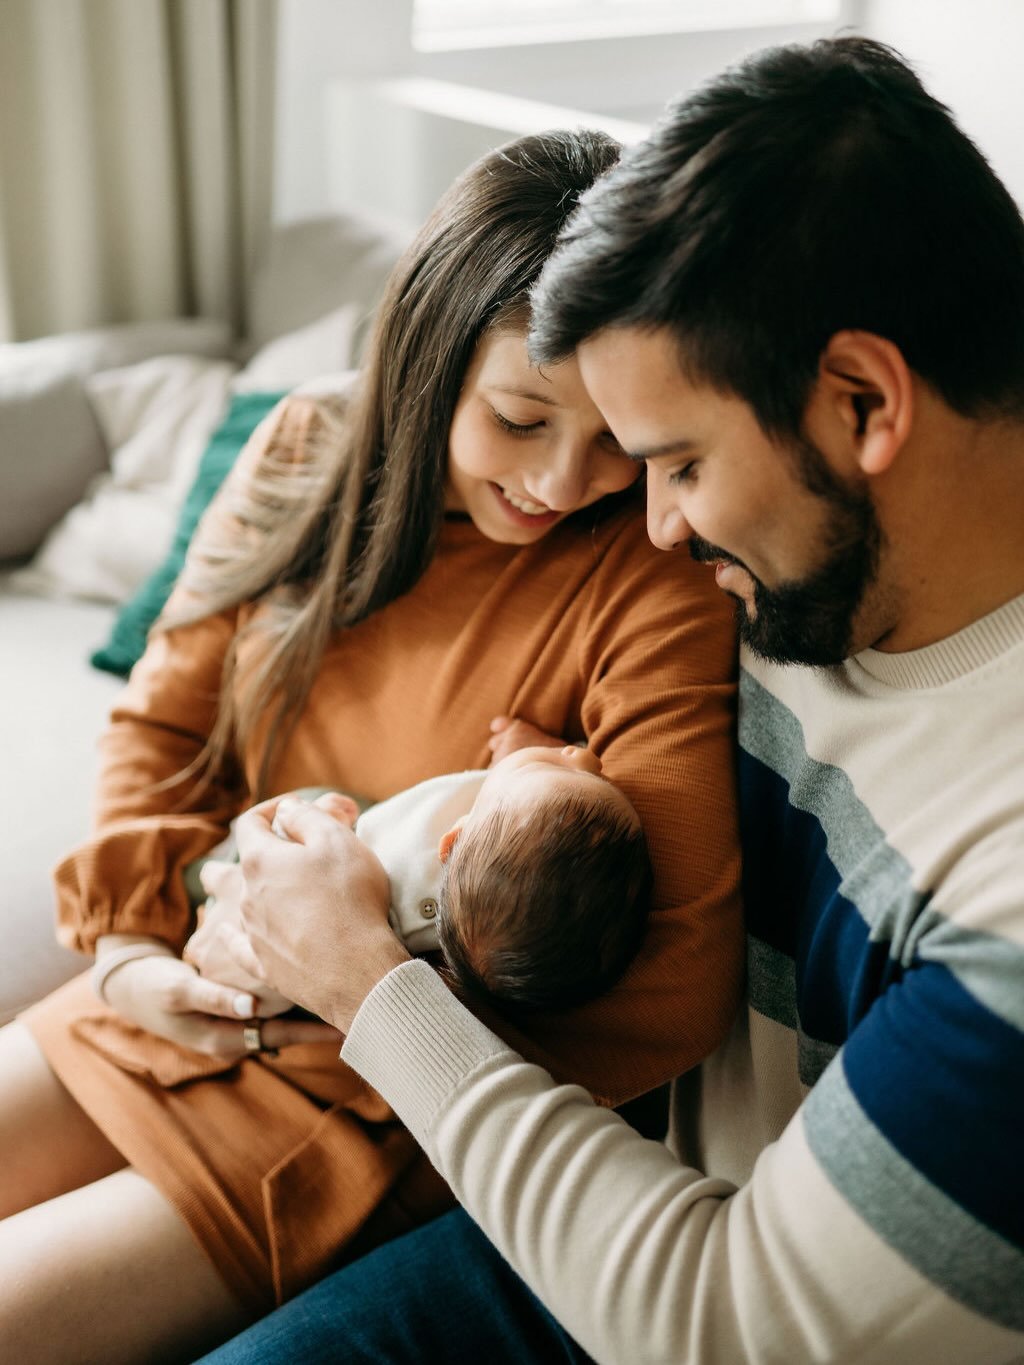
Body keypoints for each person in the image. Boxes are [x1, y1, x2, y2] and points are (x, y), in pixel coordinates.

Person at [203, 35, 1024, 1365]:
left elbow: (728, 1325)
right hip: (590, 1172)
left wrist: (367, 984)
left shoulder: (1005, 897)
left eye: (680, 462)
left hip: (700, 1296)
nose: (648, 528)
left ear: (865, 400)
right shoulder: (802, 565)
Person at [0, 129, 742, 1365]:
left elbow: (673, 996)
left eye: (611, 434)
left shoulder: (652, 580)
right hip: (177, 991)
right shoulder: (304, 451)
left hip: (360, 1111)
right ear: (427, 362)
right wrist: (132, 956)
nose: (566, 481)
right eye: (518, 419)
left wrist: (359, 995)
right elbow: (163, 730)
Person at [196, 741, 652, 1020]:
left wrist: (322, 823)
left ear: (451, 841)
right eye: (593, 777)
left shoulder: (399, 876)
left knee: (307, 805)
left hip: (262, 922)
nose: (585, 755)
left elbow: (299, 884)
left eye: (550, 767)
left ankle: (193, 886)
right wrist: (528, 757)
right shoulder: (501, 869)